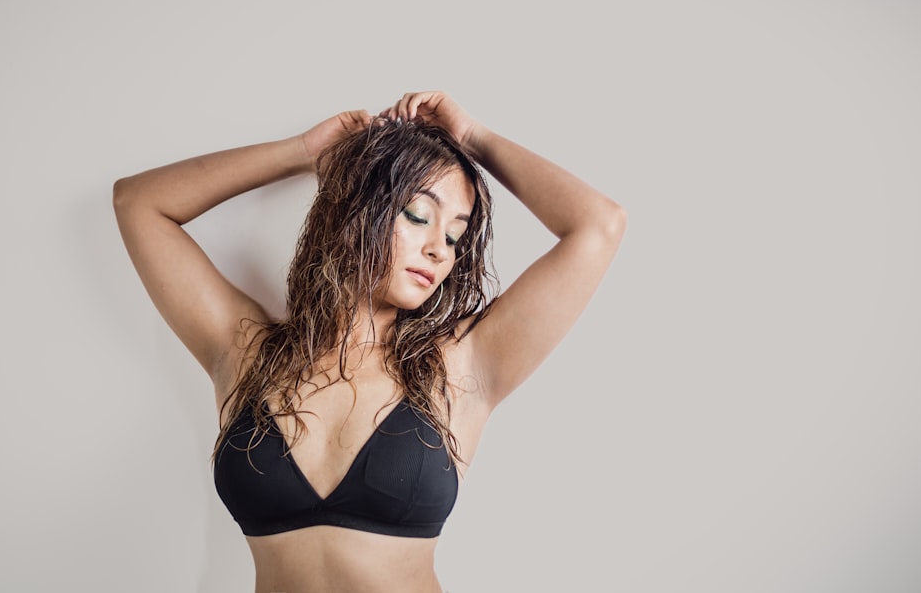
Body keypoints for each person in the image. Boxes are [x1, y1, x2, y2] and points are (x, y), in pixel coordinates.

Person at [113, 90, 626, 593]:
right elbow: (138, 202)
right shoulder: (248, 354)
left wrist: (473, 137)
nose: (438, 251)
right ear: (357, 212)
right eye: (420, 216)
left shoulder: (460, 364)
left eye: (454, 236)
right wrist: (304, 153)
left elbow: (599, 225)